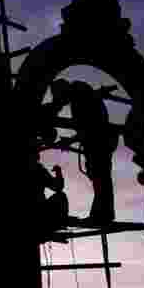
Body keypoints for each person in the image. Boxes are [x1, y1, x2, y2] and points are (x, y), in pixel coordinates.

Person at [46, 78, 119, 224]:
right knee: (100, 178)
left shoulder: (80, 94)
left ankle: (102, 214)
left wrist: (71, 140)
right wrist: (72, 140)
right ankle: (102, 213)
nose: (62, 102)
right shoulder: (80, 93)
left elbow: (89, 126)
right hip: (98, 141)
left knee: (100, 177)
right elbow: (87, 126)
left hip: (98, 142)